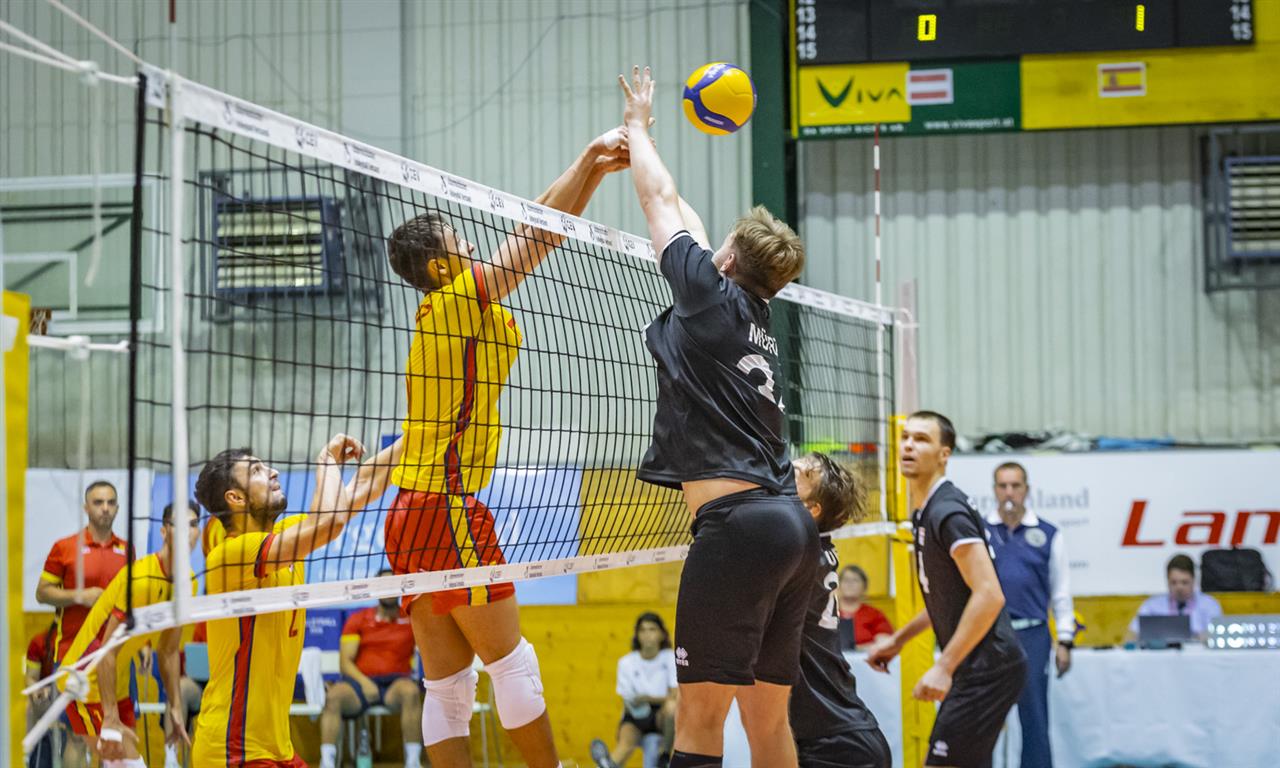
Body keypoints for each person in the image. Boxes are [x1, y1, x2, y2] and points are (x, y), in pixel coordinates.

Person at [383, 123, 631, 768]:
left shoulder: (456, 308)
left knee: (448, 685)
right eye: (460, 240)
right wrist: (586, 157)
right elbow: (536, 237)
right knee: (512, 664)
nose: (473, 244)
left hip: (412, 509)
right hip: (445, 505)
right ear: (440, 267)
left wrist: (592, 172)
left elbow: (536, 222)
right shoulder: (456, 302)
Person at [619, 66, 816, 768]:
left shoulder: (710, 298)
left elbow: (661, 201)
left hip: (738, 530)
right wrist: (647, 148)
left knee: (699, 722)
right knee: (768, 724)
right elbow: (688, 223)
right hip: (792, 528)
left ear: (726, 261)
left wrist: (638, 127)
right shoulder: (753, 314)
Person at [191, 433, 401, 767]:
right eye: (257, 471)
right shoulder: (229, 556)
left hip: (276, 748)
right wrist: (326, 461)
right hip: (233, 750)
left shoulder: (285, 538)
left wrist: (418, 435)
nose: (272, 472)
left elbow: (362, 486)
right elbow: (329, 522)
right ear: (235, 497)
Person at [866, 411, 1026, 768]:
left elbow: (990, 595)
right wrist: (898, 641)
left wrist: (944, 666)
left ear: (944, 455)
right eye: (905, 437)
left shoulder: (948, 512)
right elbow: (946, 598)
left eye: (922, 439)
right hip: (978, 664)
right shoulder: (925, 512)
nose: (909, 445)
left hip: (988, 667)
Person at [55, 501, 201, 767]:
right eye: (178, 524)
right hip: (85, 681)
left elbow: (168, 650)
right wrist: (110, 716)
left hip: (118, 683)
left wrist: (175, 707)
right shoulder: (140, 579)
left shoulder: (188, 582)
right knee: (128, 763)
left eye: (193, 525)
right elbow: (106, 651)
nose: (186, 531)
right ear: (164, 531)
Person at [790, 453, 891, 768]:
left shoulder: (797, 554)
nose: (792, 467)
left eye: (803, 473)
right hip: (836, 736)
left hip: (840, 747)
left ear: (812, 509)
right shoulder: (812, 548)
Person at [984, 461, 1074, 768]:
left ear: (1027, 489)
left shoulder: (1048, 534)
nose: (1009, 492)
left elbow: (1061, 591)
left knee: (1034, 715)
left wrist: (1065, 639)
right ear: (995, 490)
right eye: (1003, 486)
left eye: (1015, 486)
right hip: (990, 635)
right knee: (983, 717)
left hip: (1033, 635)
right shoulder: (979, 531)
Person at [319, 571, 423, 768]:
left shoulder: (412, 618)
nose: (388, 590)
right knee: (334, 697)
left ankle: (413, 762)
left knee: (411, 692)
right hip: (360, 684)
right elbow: (345, 662)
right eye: (384, 585)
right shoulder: (359, 619)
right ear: (376, 588)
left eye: (392, 585)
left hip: (395, 684)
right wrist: (365, 683)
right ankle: (327, 762)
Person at [37, 481, 128, 661]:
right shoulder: (64, 547)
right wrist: (79, 596)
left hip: (116, 654)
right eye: (98, 502)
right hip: (72, 653)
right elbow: (42, 593)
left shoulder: (127, 550)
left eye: (111, 503)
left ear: (117, 509)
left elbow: (133, 600)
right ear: (86, 508)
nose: (105, 508)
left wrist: (144, 644)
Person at [589, 612, 679, 768]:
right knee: (625, 744)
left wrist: (647, 698)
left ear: (661, 634)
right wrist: (643, 702)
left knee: (672, 707)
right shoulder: (626, 663)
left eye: (652, 629)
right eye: (642, 630)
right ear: (637, 635)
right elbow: (629, 700)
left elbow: (674, 695)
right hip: (636, 714)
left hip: (661, 716)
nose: (647, 635)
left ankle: (664, 755)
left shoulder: (670, 658)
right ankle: (607, 764)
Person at [1125, 553, 1222, 643]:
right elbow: (1131, 636)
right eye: (1174, 582)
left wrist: (1201, 637)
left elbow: (1217, 638)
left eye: (1184, 582)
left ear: (1194, 580)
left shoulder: (1210, 604)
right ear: (1167, 581)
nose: (1179, 588)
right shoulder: (1151, 605)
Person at [835, 566, 893, 651]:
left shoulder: (874, 614)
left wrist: (856, 648)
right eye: (846, 580)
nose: (850, 584)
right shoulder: (828, 612)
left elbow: (886, 642)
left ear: (864, 587)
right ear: (838, 585)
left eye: (855, 580)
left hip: (865, 657)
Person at [25, 622, 58, 768]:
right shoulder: (39, 642)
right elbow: (31, 677)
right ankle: (32, 756)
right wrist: (37, 690)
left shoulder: (81, 641)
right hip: (45, 701)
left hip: (70, 698)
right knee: (30, 708)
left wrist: (53, 690)